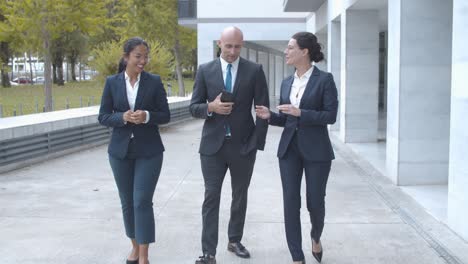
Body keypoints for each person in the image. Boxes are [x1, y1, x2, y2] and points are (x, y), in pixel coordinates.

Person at [255, 32, 338, 264]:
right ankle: (296, 256)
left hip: (317, 151)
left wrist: (301, 112)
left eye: (291, 48)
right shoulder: (286, 82)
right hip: (289, 150)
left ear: (305, 51)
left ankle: (315, 236)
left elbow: (330, 116)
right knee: (290, 201)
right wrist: (269, 116)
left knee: (315, 201)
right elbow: (287, 120)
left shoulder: (325, 80)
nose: (286, 51)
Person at [190, 26, 270, 264]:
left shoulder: (254, 70)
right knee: (211, 196)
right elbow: (193, 107)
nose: (233, 51)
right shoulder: (205, 70)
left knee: (239, 195)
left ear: (242, 45)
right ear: (219, 44)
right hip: (212, 147)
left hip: (243, 146)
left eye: (237, 46)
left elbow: (262, 110)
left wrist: (257, 142)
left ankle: (234, 240)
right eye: (228, 46)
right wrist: (210, 108)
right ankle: (208, 252)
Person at [98, 37, 170, 264]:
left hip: (149, 151)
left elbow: (165, 115)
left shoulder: (154, 81)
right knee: (127, 201)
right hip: (119, 152)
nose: (143, 61)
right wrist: (122, 117)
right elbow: (103, 116)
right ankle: (135, 247)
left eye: (145, 56)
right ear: (126, 56)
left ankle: (144, 257)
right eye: (138, 56)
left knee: (141, 201)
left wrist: (147, 116)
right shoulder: (112, 82)